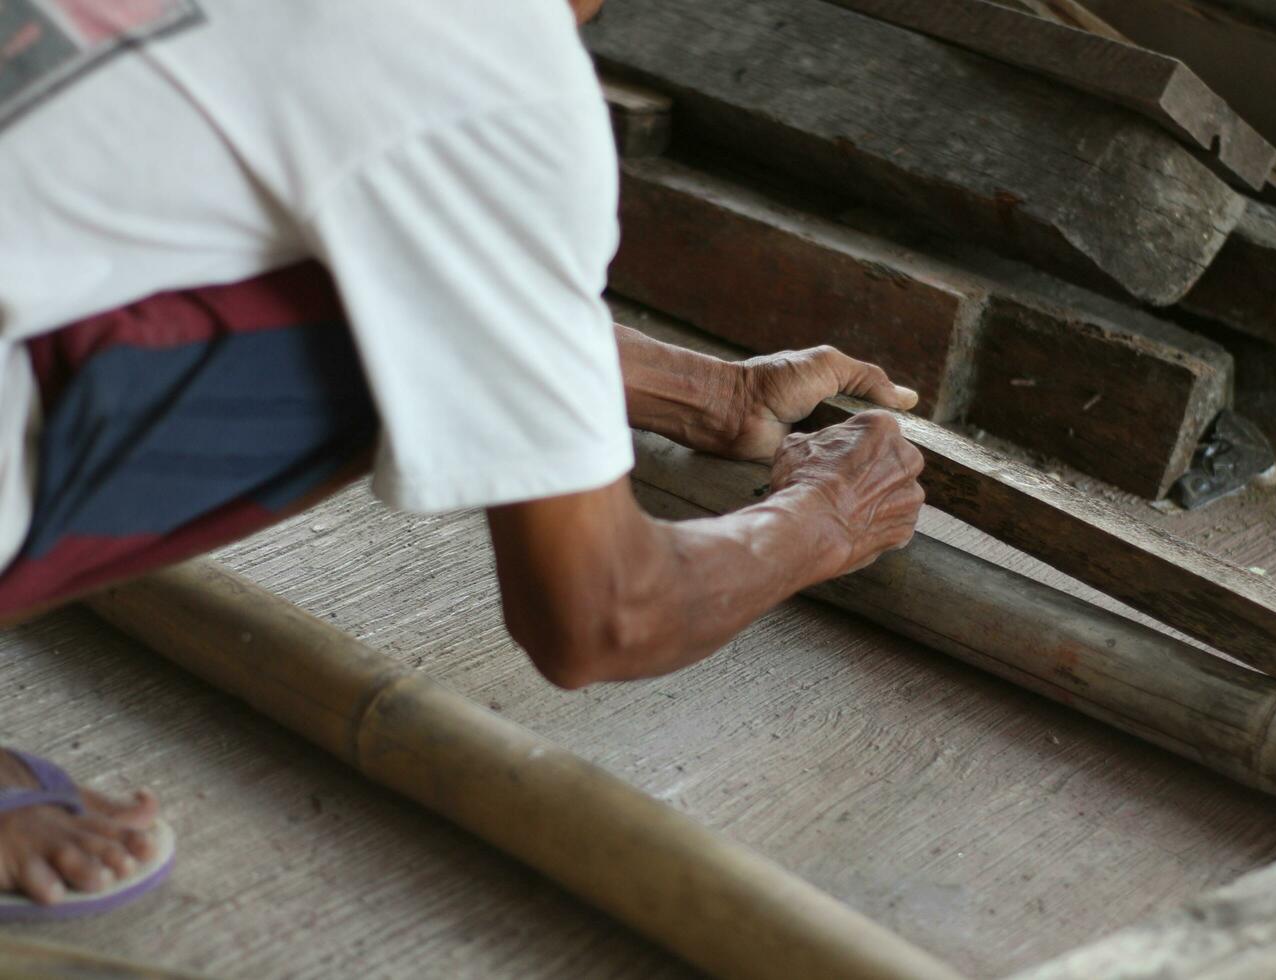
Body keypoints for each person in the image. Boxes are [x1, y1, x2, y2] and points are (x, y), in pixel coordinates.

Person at [0, 0, 925, 915]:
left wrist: (714, 397)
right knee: (378, 358)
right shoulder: (492, 76)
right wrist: (828, 515)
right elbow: (607, 613)